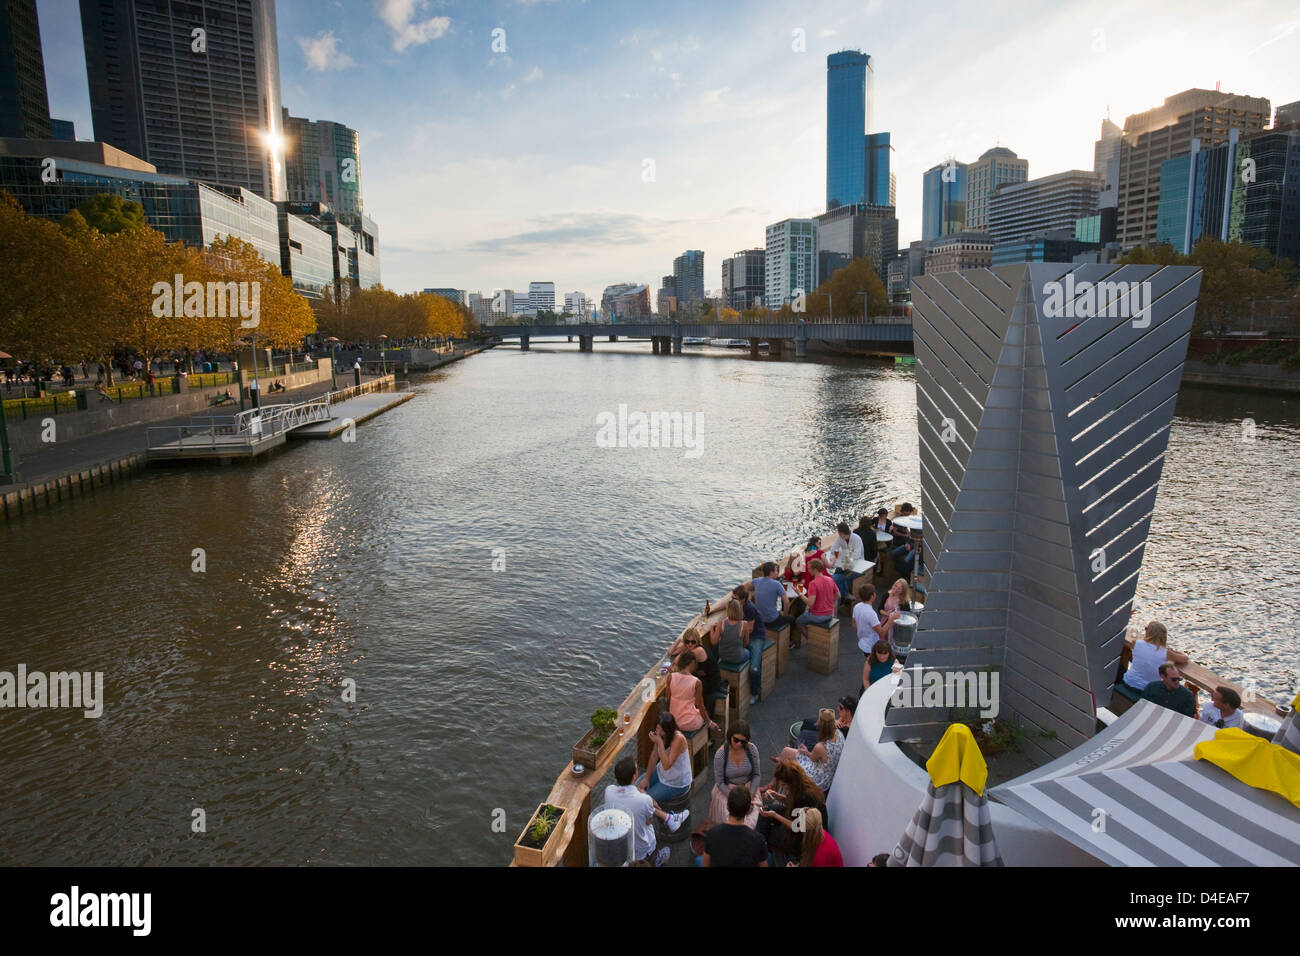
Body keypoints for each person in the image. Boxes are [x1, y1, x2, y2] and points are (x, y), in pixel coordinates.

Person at [604, 756, 689, 867]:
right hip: (641, 850)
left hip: (620, 846)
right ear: (634, 776)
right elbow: (649, 821)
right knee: (651, 822)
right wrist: (645, 796)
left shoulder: (608, 791)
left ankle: (669, 819)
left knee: (647, 806)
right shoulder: (644, 800)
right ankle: (656, 858)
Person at [757, 758, 826, 867]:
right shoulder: (801, 785)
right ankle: (760, 844)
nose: (782, 786)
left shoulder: (805, 797)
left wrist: (775, 816)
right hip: (796, 816)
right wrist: (776, 796)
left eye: (783, 784)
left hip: (805, 837)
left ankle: (760, 848)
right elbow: (790, 801)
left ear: (791, 782)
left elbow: (797, 827)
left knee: (772, 832)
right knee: (767, 810)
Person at [709, 720, 761, 825]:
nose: (739, 744)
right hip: (728, 790)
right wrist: (734, 798)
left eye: (743, 742)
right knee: (730, 819)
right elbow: (720, 783)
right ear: (730, 736)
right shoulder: (721, 754)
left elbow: (756, 774)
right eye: (736, 740)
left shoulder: (752, 749)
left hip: (748, 789)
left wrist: (750, 795)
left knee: (752, 819)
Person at [781, 708, 844, 793]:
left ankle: (777, 786)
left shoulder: (820, 746)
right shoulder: (840, 734)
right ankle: (776, 782)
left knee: (786, 754)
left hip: (817, 778)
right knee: (787, 754)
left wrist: (806, 752)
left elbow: (812, 759)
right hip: (827, 778)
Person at [702, 786, 768, 867]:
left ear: (727, 806)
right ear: (748, 809)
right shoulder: (758, 839)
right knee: (769, 856)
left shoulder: (712, 834)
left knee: (698, 860)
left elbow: (705, 864)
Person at [639, 712, 693, 803]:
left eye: (662, 730)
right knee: (637, 787)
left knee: (644, 800)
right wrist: (646, 779)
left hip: (676, 783)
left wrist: (659, 743)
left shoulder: (678, 739)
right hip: (661, 772)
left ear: (669, 729)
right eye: (657, 728)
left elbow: (667, 765)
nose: (659, 732)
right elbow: (654, 755)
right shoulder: (660, 735)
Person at [1123, 620, 1188, 691]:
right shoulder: (1166, 653)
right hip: (1147, 690)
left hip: (1127, 681)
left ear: (1149, 632)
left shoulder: (1136, 643)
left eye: (1146, 628)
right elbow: (1185, 658)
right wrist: (1175, 651)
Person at [667, 651, 718, 734]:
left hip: (674, 721)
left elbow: (668, 698)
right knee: (706, 713)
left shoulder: (670, 677)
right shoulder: (697, 682)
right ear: (692, 663)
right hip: (689, 723)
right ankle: (707, 742)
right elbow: (700, 705)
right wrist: (710, 722)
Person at [794, 559, 839, 647]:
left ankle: (811, 640)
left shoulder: (813, 583)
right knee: (806, 612)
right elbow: (838, 595)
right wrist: (830, 602)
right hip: (830, 613)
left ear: (815, 570)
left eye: (810, 568)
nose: (808, 570)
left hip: (818, 616)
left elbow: (810, 603)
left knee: (798, 622)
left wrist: (799, 594)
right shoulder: (830, 579)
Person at [825, 521, 866, 601]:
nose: (838, 534)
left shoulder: (856, 539)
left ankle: (844, 595)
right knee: (837, 574)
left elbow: (857, 555)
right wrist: (835, 556)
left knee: (837, 578)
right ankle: (842, 596)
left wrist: (844, 555)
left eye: (839, 532)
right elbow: (834, 549)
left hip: (856, 566)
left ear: (842, 533)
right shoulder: (840, 538)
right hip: (843, 564)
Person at [853, 583, 897, 654]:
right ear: (872, 596)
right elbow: (882, 633)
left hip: (862, 642)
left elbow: (854, 624)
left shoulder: (857, 606)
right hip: (871, 647)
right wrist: (891, 619)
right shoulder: (871, 614)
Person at [752, 562, 792, 634]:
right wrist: (785, 614)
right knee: (792, 619)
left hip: (759, 618)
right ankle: (791, 641)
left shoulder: (757, 581)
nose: (777, 573)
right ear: (771, 572)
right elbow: (786, 602)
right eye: (776, 570)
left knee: (778, 612)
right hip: (771, 621)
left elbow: (746, 587)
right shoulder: (777, 584)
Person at [710, 599, 750, 667]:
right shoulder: (744, 624)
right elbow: (746, 643)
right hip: (738, 658)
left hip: (723, 657)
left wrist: (711, 628)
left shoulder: (721, 624)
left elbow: (713, 642)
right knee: (748, 652)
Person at [881, 579, 912, 643]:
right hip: (885, 623)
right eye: (895, 586)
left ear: (903, 591)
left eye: (899, 588)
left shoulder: (904, 602)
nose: (896, 589)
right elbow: (879, 609)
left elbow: (907, 616)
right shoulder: (886, 595)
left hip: (897, 627)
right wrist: (886, 613)